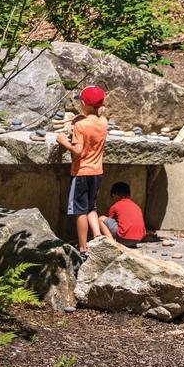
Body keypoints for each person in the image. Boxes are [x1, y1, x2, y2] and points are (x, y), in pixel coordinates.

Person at [55, 86, 108, 258]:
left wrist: (63, 141)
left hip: (81, 173)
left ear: (83, 104)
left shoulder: (80, 126)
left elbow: (77, 151)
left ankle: (83, 248)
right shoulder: (104, 122)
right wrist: (81, 118)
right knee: (91, 207)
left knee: (80, 211)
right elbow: (93, 124)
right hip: (97, 172)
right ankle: (98, 237)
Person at [100, 182, 146, 247]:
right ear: (129, 195)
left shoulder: (115, 206)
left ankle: (112, 243)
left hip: (124, 239)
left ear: (114, 195)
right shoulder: (137, 206)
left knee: (101, 219)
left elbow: (109, 222)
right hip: (138, 239)